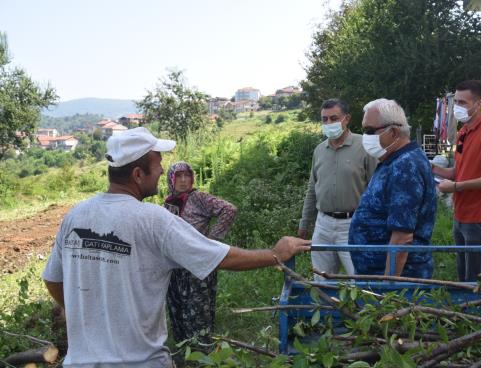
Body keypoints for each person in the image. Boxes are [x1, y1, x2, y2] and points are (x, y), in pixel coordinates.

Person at [42, 127, 309, 367]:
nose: (161, 171)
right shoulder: (154, 219)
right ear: (137, 174)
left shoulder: (76, 215)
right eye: (158, 164)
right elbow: (220, 258)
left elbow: (52, 280)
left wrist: (83, 310)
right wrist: (275, 254)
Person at [349, 98, 437, 278]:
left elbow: (402, 238)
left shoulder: (404, 166)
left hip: (397, 282)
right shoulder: (394, 160)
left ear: (394, 132)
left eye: (370, 130)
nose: (365, 136)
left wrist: (388, 286)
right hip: (376, 274)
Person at [434, 80, 481, 282]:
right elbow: (459, 171)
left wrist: (456, 187)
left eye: (463, 103)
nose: (457, 107)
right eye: (455, 102)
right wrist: (432, 168)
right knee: (464, 276)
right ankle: (467, 311)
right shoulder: (463, 132)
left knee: (479, 282)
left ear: (478, 104)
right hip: (461, 214)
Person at [298, 98, 376, 280]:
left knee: (359, 279)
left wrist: (373, 225)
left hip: (353, 224)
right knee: (322, 279)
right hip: (323, 224)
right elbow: (312, 189)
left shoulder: (364, 146)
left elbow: (375, 190)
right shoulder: (319, 150)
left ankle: (358, 309)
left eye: (334, 118)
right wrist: (304, 222)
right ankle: (327, 308)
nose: (329, 123)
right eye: (324, 119)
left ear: (346, 119)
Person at [163, 161, 237, 344]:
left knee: (198, 312)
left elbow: (229, 209)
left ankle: (201, 354)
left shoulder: (198, 198)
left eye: (186, 175)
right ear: (170, 179)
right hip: (175, 267)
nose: (182, 180)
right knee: (178, 308)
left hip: (197, 266)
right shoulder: (169, 202)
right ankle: (183, 351)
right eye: (178, 176)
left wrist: (210, 242)